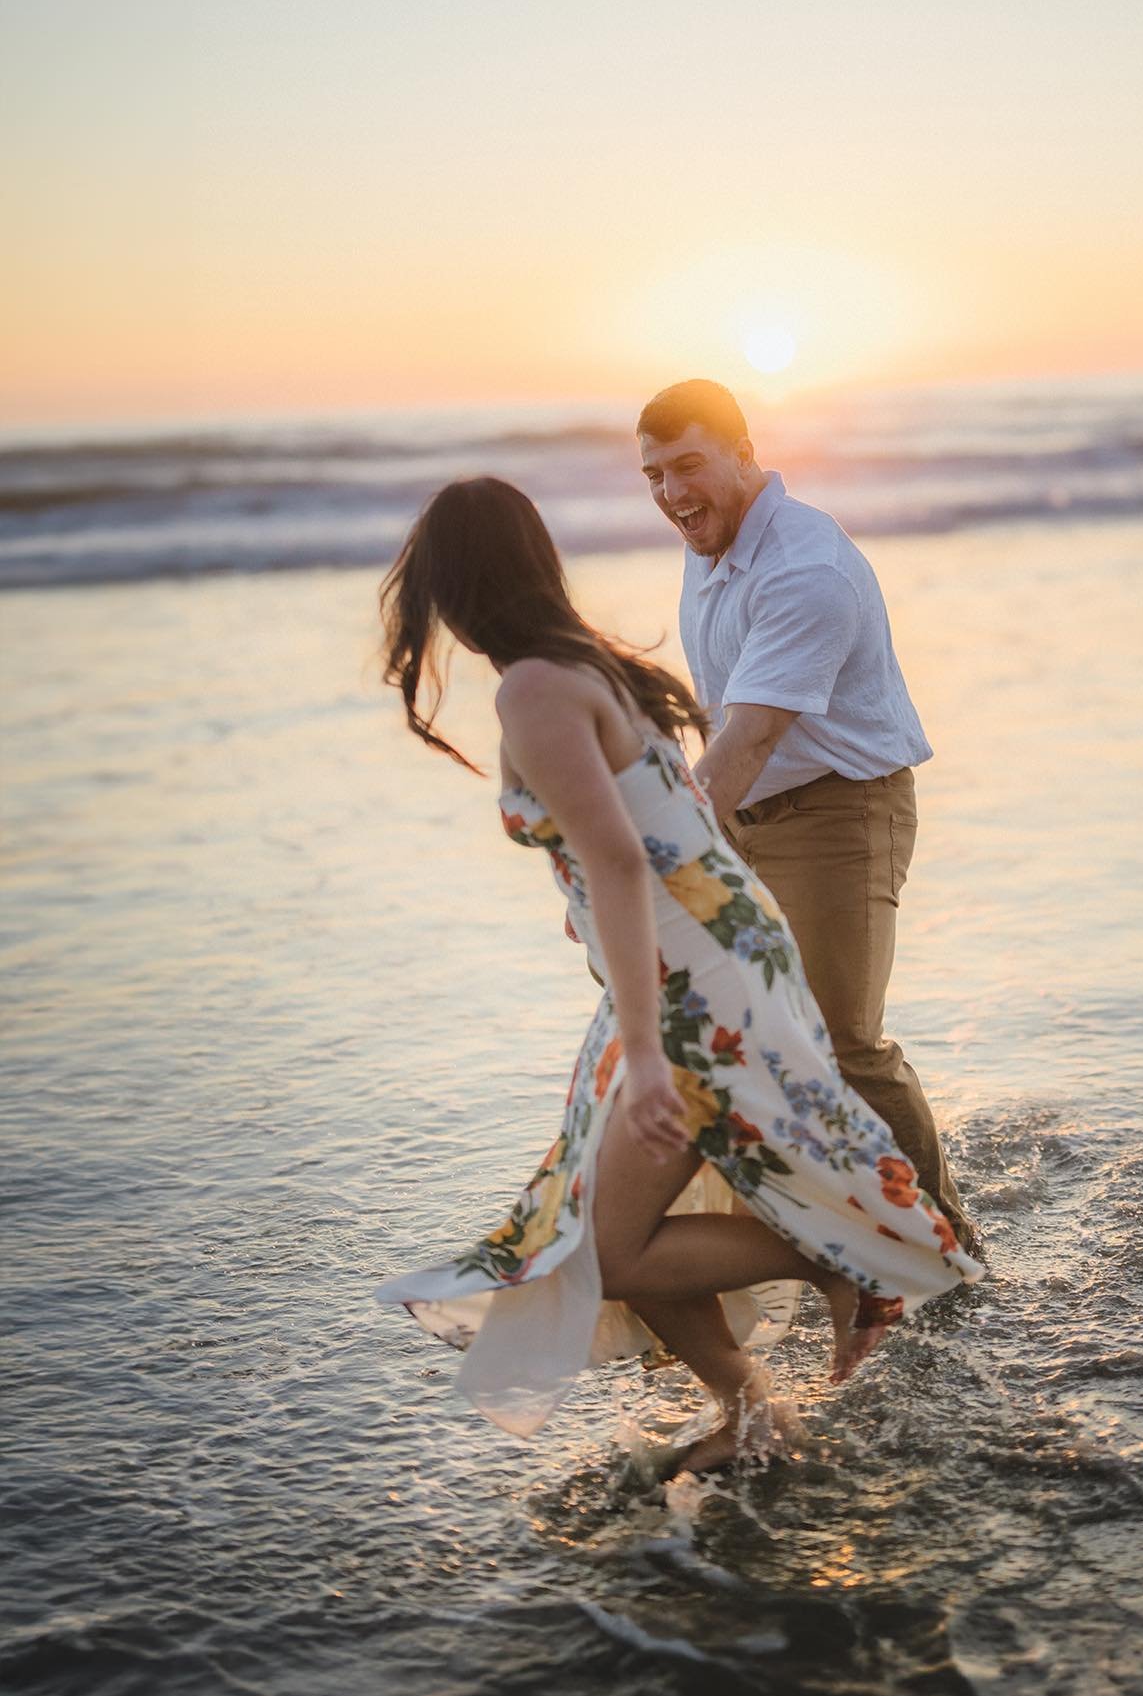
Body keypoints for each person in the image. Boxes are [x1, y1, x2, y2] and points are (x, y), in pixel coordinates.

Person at [373, 477, 983, 1474]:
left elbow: (618, 859)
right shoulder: (587, 665)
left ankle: (836, 1262)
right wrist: (616, 953)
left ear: (452, 588)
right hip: (704, 957)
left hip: (691, 987)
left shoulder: (532, 686)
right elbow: (668, 835)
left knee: (606, 1248)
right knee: (593, 1226)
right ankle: (750, 1408)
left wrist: (649, 1053)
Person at [636, 380, 980, 1258]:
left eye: (688, 467)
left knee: (843, 1043)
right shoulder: (712, 540)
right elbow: (721, 712)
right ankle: (822, 1236)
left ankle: (947, 1243)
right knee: (745, 1037)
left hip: (840, 813)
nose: (672, 495)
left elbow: (747, 737)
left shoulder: (805, 569)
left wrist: (652, 867)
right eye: (653, 476)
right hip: (744, 813)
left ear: (745, 454)